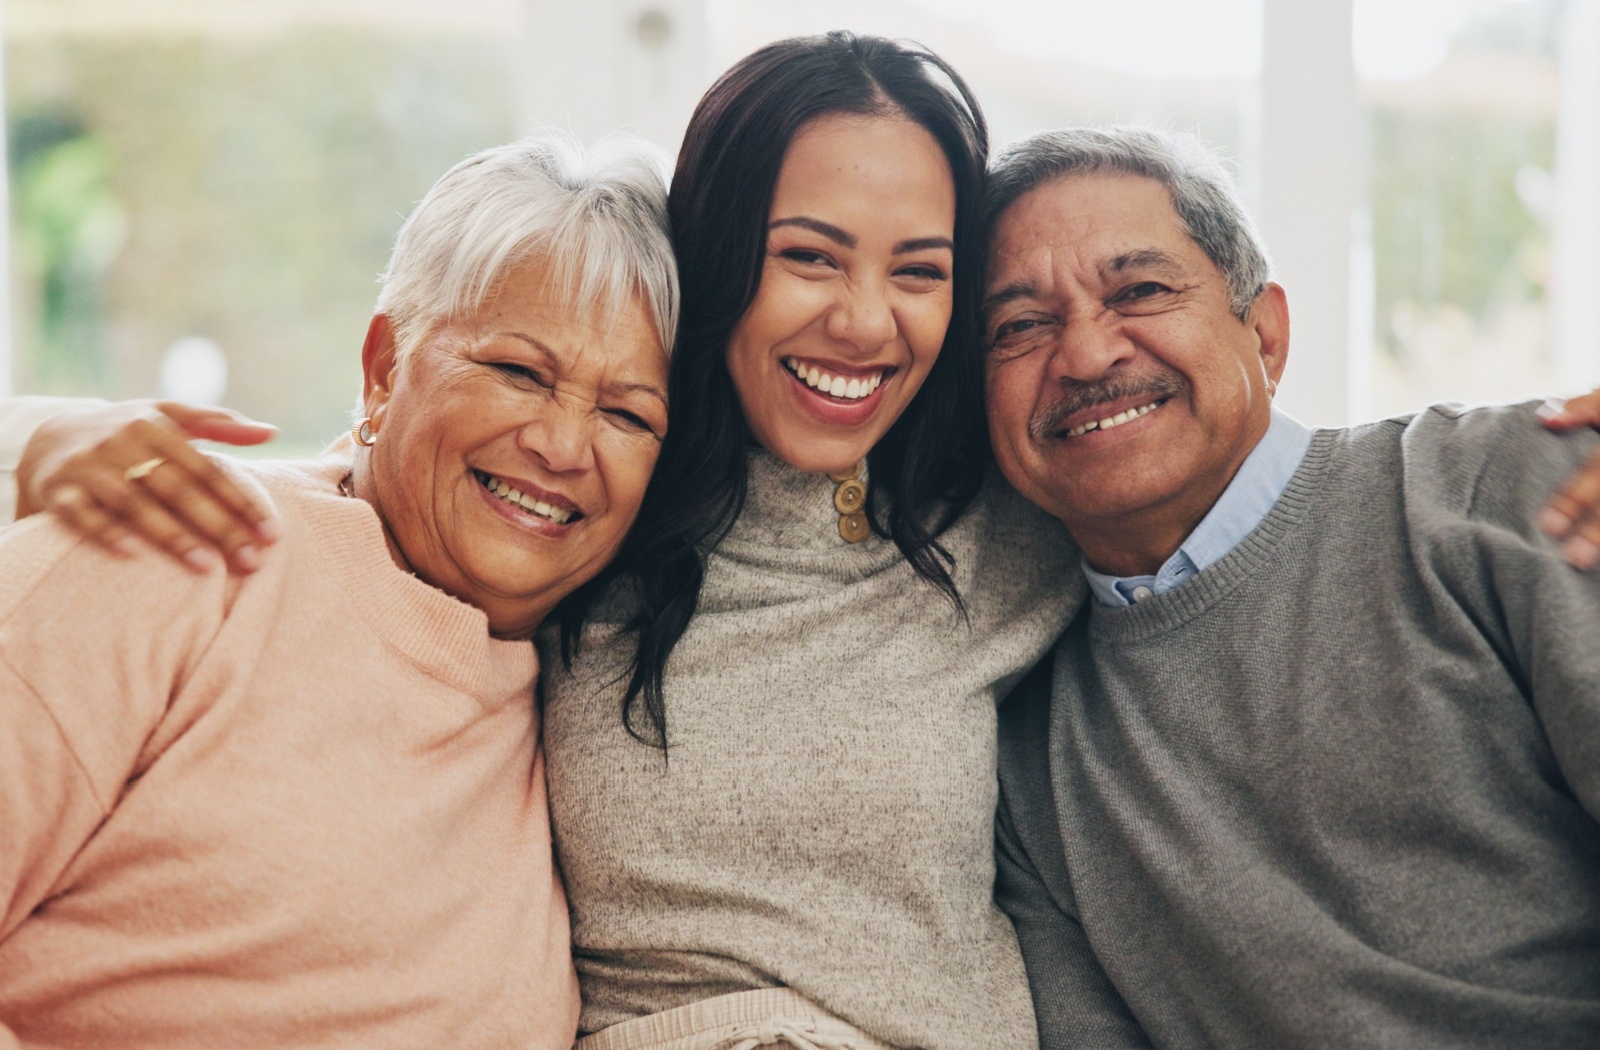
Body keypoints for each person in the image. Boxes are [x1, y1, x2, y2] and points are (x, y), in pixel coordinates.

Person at [10, 32, 1600, 1050]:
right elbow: (391, 480)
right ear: (722, 273)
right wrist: (33, 435)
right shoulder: (592, 530)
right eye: (807, 255)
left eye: (921, 270)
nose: (863, 317)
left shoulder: (1011, 526)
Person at [0, 132, 677, 1049]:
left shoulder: (596, 702)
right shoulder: (178, 550)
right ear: (385, 367)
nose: (563, 446)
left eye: (627, 414)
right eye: (520, 372)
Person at [983, 126, 1600, 1049]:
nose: (1084, 354)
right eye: (1019, 326)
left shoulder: (1513, 489)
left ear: (1265, 332)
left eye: (1140, 290)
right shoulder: (1019, 744)